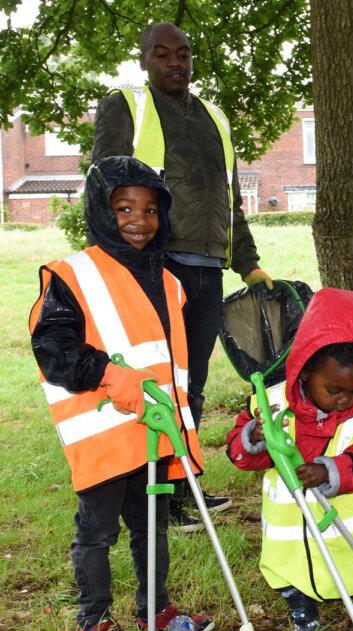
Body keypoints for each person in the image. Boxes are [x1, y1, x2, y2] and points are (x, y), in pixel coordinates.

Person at [92, 21, 272, 531]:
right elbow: (104, 185)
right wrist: (125, 267)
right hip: (156, 265)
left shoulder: (215, 116)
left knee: (191, 381)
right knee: (157, 382)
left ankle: (182, 482)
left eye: (184, 54)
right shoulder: (127, 107)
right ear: (145, 59)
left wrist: (249, 262)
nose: (176, 62)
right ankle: (155, 497)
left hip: (207, 269)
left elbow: (228, 197)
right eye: (163, 54)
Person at [29, 156, 213, 631]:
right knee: (97, 533)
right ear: (99, 210)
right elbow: (54, 351)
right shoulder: (72, 274)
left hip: (156, 432)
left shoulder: (170, 281)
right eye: (124, 208)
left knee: (151, 526)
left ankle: (154, 609)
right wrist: (109, 373)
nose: (139, 221)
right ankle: (93, 620)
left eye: (151, 210)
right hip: (106, 433)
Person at [225, 289, 353, 631]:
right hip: (291, 530)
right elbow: (239, 455)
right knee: (290, 575)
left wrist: (330, 470)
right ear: (306, 368)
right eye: (333, 390)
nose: (344, 399)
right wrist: (254, 438)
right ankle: (305, 620)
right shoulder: (271, 405)